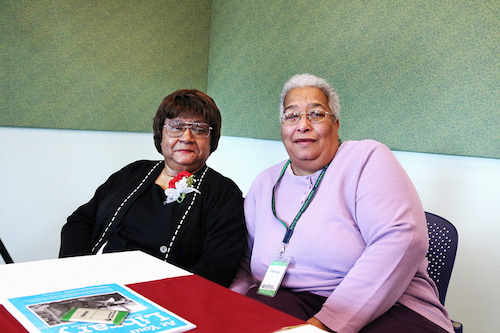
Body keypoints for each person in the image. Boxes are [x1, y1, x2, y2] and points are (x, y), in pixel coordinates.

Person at [230, 74, 454, 332]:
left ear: (335, 124)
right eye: (292, 116)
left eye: (316, 114)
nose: (302, 125)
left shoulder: (366, 158)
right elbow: (246, 264)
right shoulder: (264, 182)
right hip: (287, 297)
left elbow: (402, 238)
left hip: (389, 305)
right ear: (282, 127)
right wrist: (228, 304)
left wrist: (325, 323)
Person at [60, 89, 246, 287]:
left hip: (162, 295)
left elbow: (218, 265)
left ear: (212, 138)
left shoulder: (224, 193)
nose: (187, 137)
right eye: (176, 127)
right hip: (94, 279)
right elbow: (80, 220)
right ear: (161, 134)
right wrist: (78, 272)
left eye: (199, 129)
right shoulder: (133, 172)